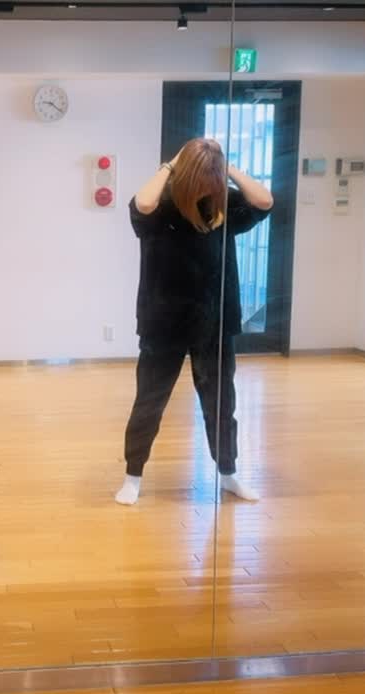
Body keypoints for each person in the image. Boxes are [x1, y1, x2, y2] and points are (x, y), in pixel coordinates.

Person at [115, 137, 273, 507]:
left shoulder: (222, 206)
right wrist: (170, 166)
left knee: (221, 403)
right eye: (200, 173)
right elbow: (142, 203)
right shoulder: (163, 205)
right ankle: (132, 476)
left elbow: (264, 200)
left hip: (214, 321)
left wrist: (226, 167)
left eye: (211, 175)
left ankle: (228, 474)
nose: (206, 181)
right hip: (163, 320)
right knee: (150, 402)